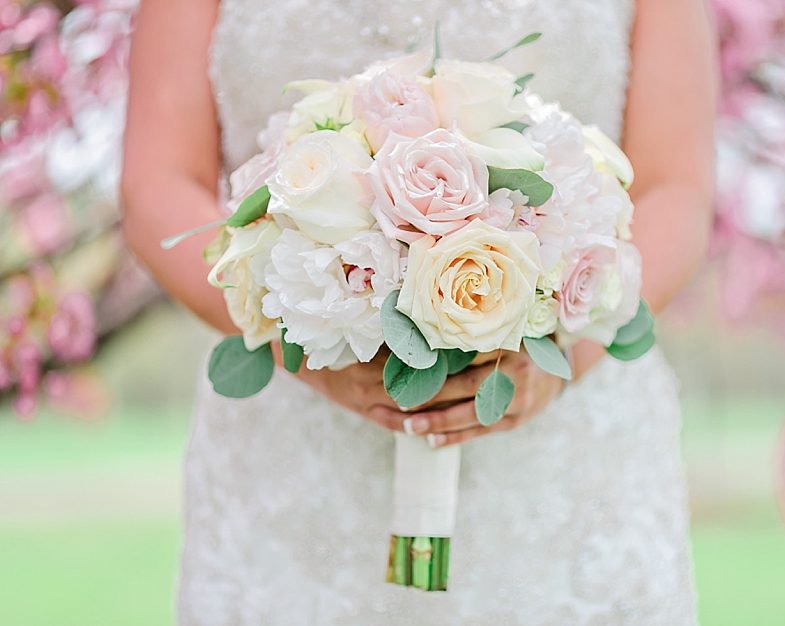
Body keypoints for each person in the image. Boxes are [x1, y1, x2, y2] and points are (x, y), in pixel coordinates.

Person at [121, 1, 716, 623]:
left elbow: (674, 186)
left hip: (569, 446)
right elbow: (158, 182)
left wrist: (567, 350)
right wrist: (292, 337)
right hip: (292, 452)